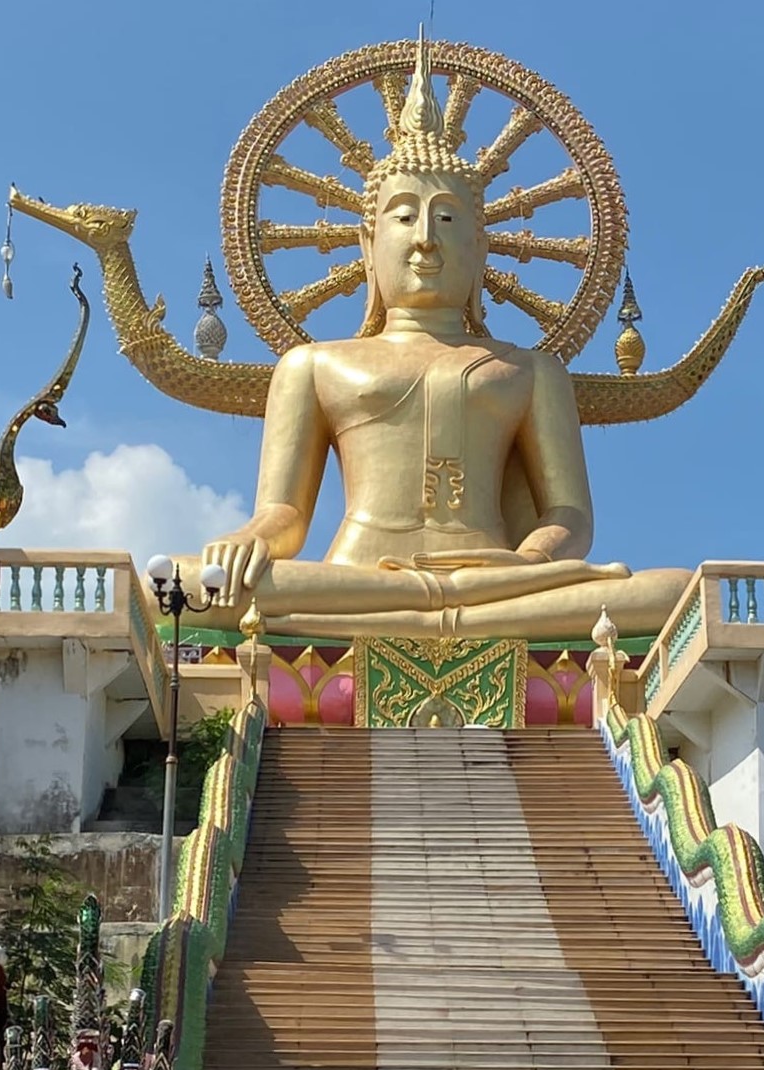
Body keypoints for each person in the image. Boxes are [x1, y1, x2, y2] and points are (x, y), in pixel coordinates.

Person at [186, 41, 689, 639]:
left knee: (676, 590)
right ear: (368, 245)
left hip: (497, 578)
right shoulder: (314, 365)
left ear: (481, 247)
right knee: (184, 586)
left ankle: (431, 611)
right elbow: (285, 513)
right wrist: (249, 539)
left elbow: (570, 517)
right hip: (360, 577)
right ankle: (439, 611)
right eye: (403, 217)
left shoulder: (532, 371)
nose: (426, 237)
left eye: (447, 218)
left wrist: (530, 560)